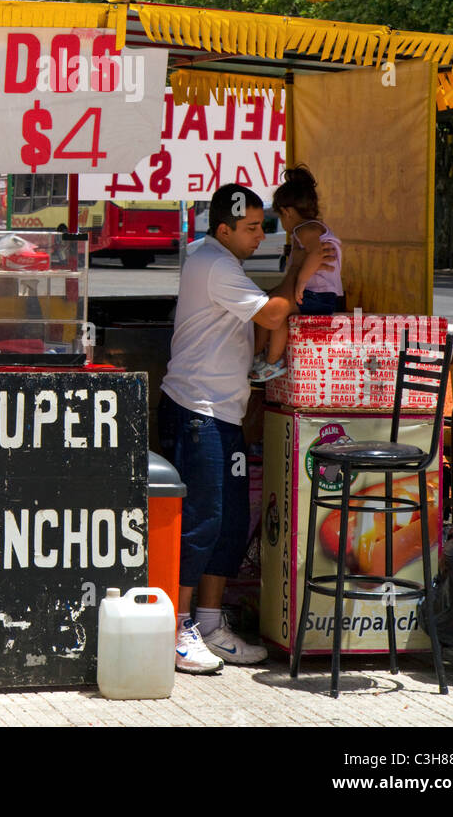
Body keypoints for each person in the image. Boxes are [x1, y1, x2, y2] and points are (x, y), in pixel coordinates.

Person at [157, 181, 337, 674]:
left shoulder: (222, 261)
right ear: (224, 229)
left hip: (224, 411)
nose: (262, 236)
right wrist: (302, 271)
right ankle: (176, 627)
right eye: (253, 228)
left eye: (264, 226)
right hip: (197, 411)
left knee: (231, 521)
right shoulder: (213, 264)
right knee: (201, 521)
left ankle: (211, 622)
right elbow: (276, 311)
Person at [250, 165, 343, 384]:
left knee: (272, 312)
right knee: (274, 310)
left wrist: (300, 282)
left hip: (316, 295)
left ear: (287, 212)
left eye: (280, 217)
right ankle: (268, 358)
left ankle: (272, 362)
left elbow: (316, 253)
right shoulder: (313, 228)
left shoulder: (305, 229)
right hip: (322, 295)